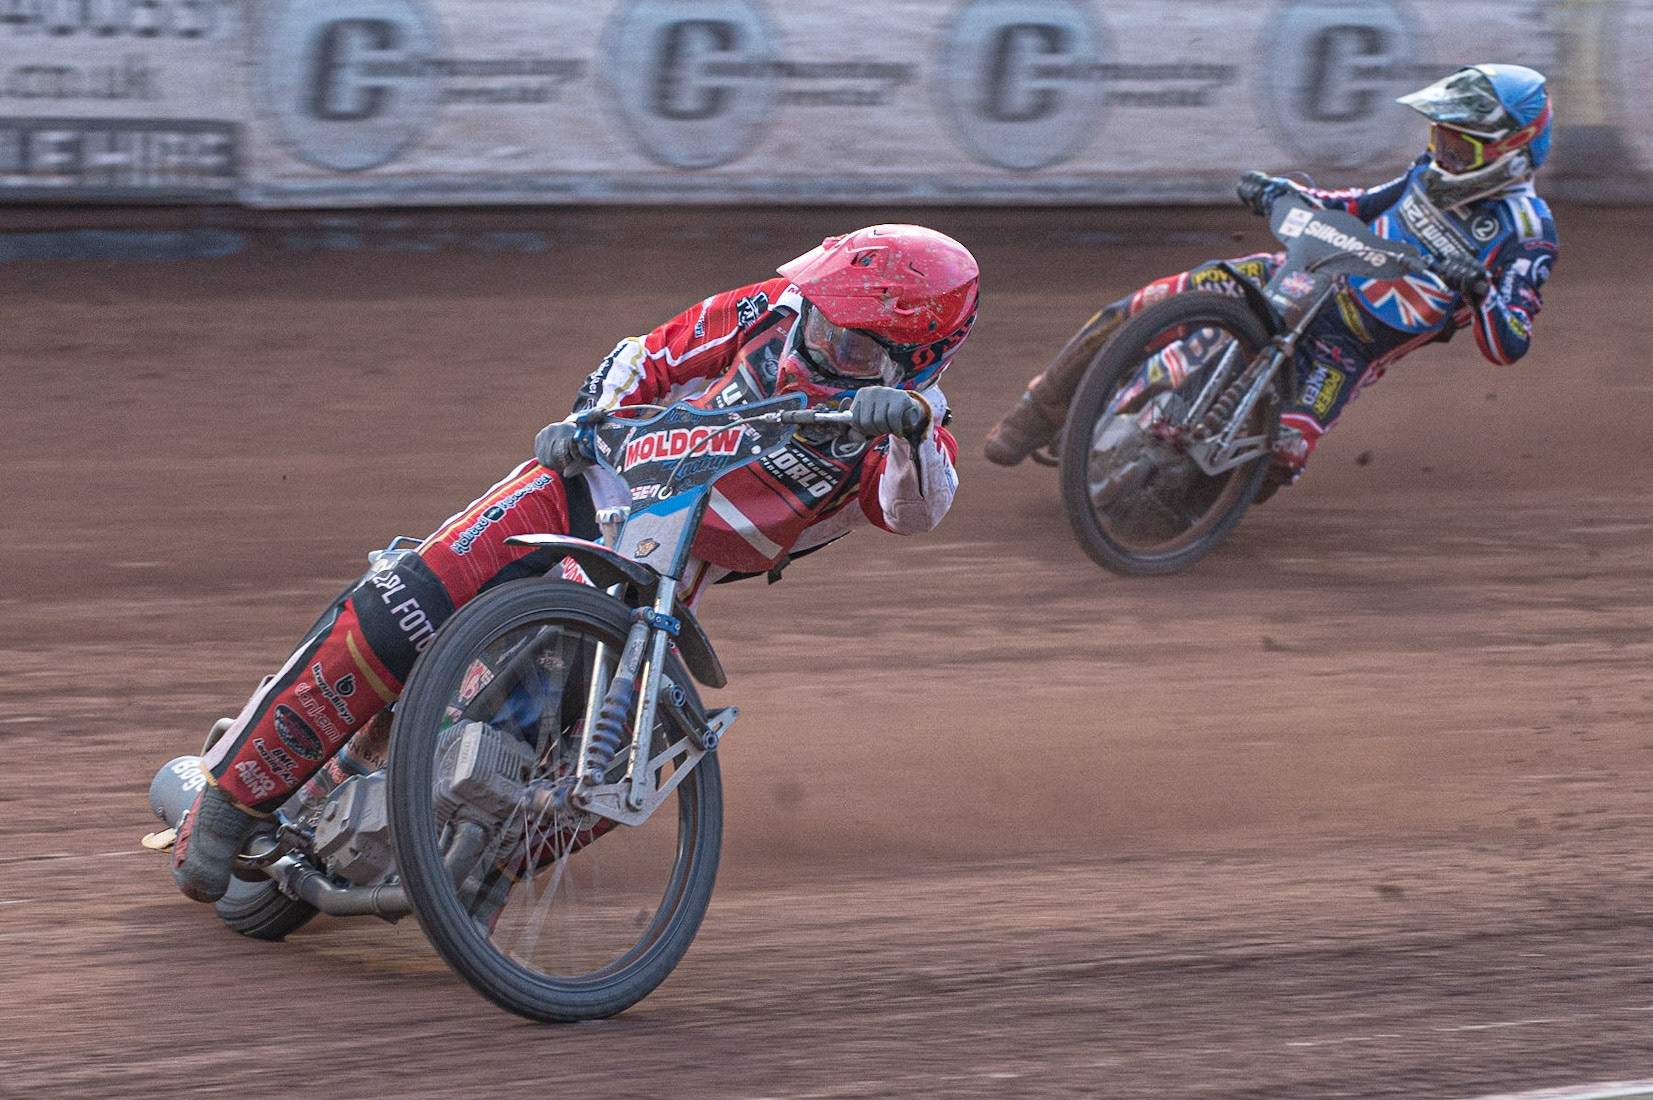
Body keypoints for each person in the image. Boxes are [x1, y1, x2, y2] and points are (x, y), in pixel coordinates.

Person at [171, 223, 978, 904]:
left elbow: (914, 512)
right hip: (591, 480)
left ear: (916, 359)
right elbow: (649, 354)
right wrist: (585, 417)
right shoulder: (775, 307)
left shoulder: (911, 432)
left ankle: (477, 879)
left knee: (584, 736)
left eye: (846, 340)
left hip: (672, 563)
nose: (816, 338)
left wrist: (902, 426)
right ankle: (230, 803)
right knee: (403, 607)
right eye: (820, 319)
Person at [983, 63, 1559, 491]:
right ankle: (1036, 415)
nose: (1445, 153)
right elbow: (1356, 204)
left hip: (1349, 347)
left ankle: (1180, 512)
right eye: (1442, 137)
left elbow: (1509, 343)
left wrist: (1480, 290)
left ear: (1510, 150)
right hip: (1299, 275)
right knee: (1148, 306)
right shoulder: (1424, 173)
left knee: (1277, 458)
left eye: (1462, 145)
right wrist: (1285, 192)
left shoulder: (1527, 232)